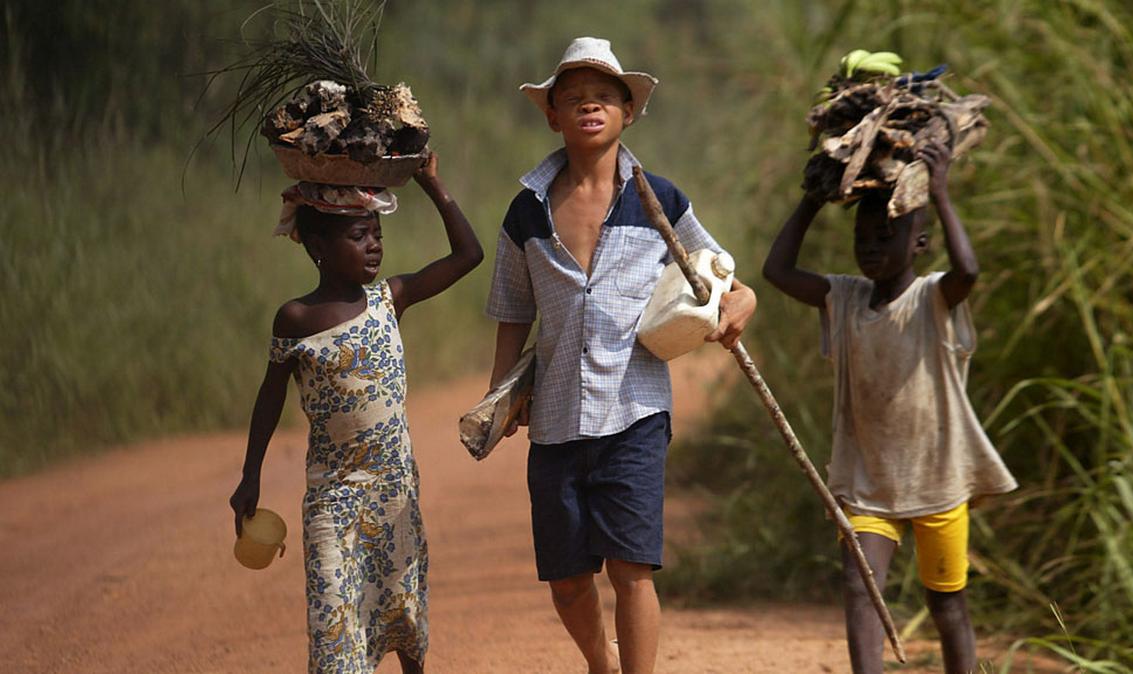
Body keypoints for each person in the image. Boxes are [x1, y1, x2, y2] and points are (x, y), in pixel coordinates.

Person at [484, 37, 757, 674]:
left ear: (627, 112)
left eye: (604, 96)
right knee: (567, 580)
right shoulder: (526, 212)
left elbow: (720, 275)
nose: (589, 106)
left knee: (631, 568)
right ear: (552, 115)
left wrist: (743, 301)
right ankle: (599, 663)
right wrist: (501, 394)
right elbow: (513, 308)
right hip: (555, 417)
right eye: (573, 98)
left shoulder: (659, 200)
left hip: (636, 410)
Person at [761, 141, 1017, 674]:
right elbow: (777, 271)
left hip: (938, 481)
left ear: (920, 243)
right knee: (861, 587)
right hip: (868, 482)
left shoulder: (932, 298)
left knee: (947, 605)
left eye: (886, 236)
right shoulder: (845, 298)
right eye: (862, 238)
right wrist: (811, 199)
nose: (871, 247)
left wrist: (940, 192)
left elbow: (968, 271)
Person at [229, 153, 483, 674]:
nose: (374, 245)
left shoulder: (391, 299)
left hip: (394, 492)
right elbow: (269, 397)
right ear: (318, 246)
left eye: (377, 234)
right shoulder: (296, 318)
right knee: (333, 620)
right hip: (333, 496)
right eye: (359, 235)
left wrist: (433, 184)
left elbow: (468, 254)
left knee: (404, 612)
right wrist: (250, 474)